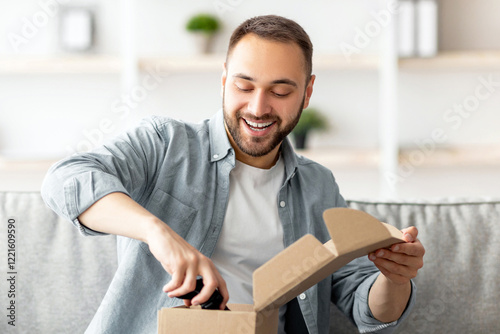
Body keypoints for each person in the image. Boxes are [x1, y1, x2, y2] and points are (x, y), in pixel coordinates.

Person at [42, 15, 425, 334]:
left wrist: (395, 277)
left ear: (307, 94)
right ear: (224, 79)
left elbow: (367, 308)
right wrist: (157, 233)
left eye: (280, 91)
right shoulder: (165, 143)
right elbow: (66, 179)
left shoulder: (317, 186)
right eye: (245, 85)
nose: (258, 108)